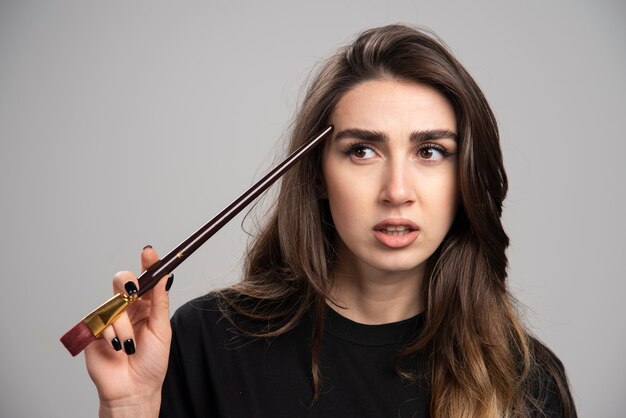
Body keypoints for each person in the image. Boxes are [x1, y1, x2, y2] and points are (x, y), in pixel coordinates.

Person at [84, 24, 577, 417]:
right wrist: (128, 408)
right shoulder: (205, 342)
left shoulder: (527, 383)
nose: (397, 191)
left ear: (465, 174)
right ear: (319, 174)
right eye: (363, 150)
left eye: (430, 151)